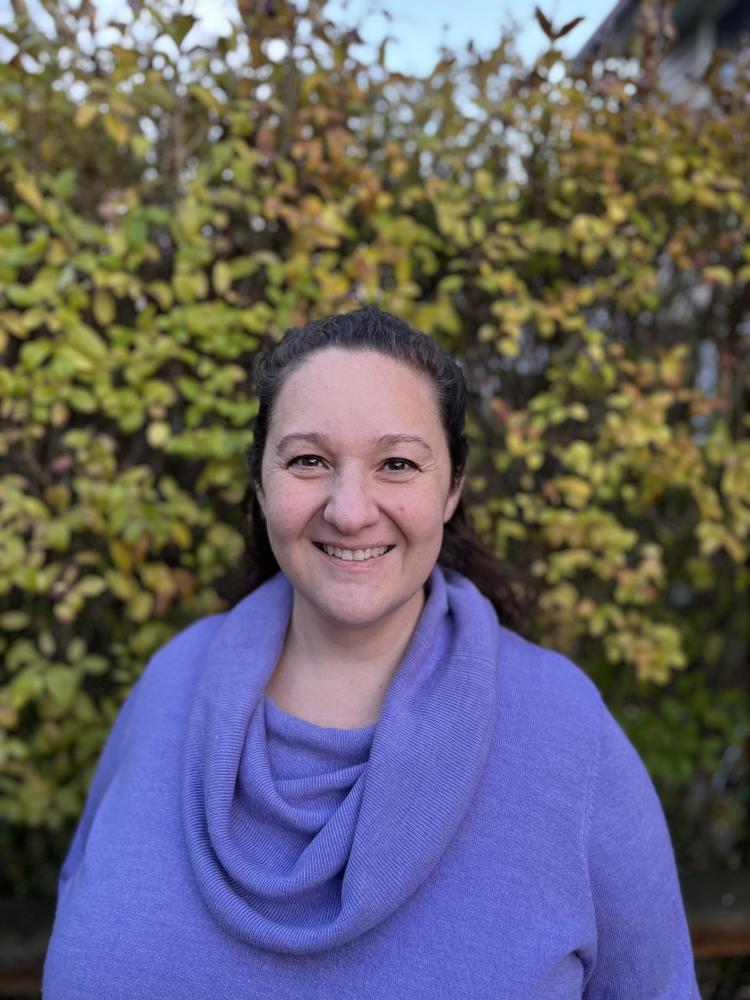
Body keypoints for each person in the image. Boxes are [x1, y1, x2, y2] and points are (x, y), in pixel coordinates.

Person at [43, 307, 699, 998]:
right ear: (262, 486)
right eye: (308, 460)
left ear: (450, 491)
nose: (350, 509)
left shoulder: (568, 732)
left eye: (396, 463)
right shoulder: (170, 681)